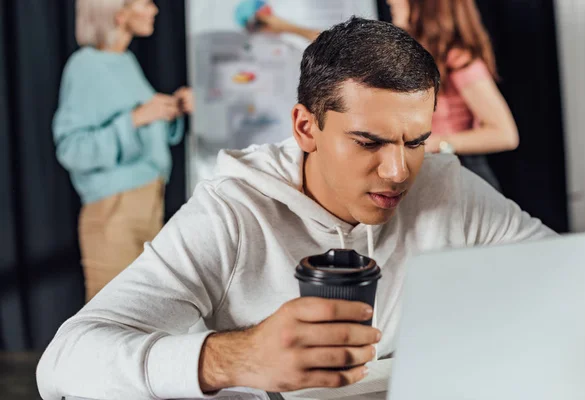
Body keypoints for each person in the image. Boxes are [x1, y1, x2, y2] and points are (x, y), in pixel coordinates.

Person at [37, 18, 554, 399]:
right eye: (369, 142)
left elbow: (568, 275)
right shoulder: (232, 213)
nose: (399, 171)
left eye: (415, 141)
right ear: (306, 128)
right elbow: (63, 362)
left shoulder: (443, 184)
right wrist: (232, 358)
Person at [260, 0, 518, 191]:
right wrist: (284, 27)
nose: (390, 1)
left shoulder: (458, 58)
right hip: (420, 166)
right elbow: (339, 48)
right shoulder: (402, 52)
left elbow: (505, 134)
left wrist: (433, 143)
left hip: (460, 170)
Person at [53, 0, 194, 301]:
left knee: (146, 315)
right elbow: (72, 149)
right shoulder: (85, 65)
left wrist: (170, 109)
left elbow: (140, 126)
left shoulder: (124, 60)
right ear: (119, 13)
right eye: (145, 3)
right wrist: (138, 117)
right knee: (110, 323)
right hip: (113, 213)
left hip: (149, 205)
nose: (155, 10)